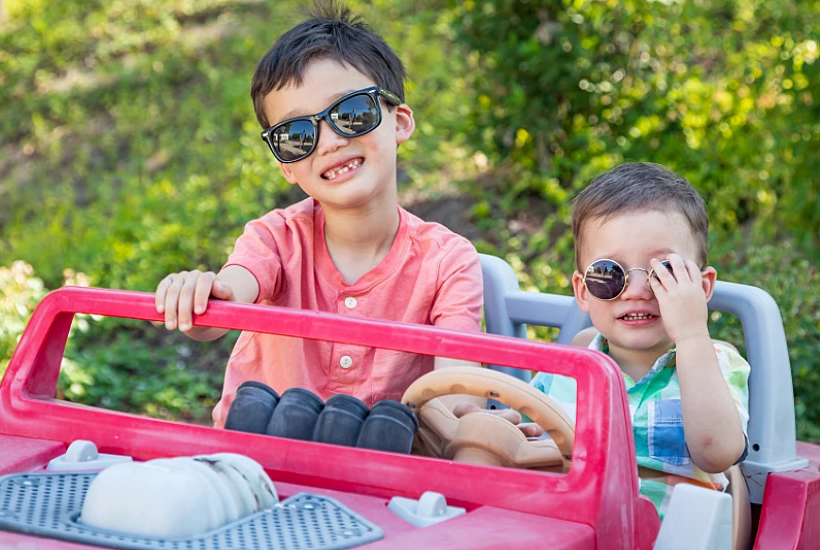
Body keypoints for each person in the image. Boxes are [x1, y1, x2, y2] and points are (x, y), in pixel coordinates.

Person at [155, 2, 484, 428]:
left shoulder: (447, 262)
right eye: (297, 135)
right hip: (258, 463)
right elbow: (224, 302)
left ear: (399, 122)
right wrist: (199, 295)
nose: (328, 142)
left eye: (350, 114)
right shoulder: (274, 239)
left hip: (383, 480)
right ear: (286, 165)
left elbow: (457, 391)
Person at [533, 162, 750, 519]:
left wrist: (692, 332)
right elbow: (527, 438)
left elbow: (717, 453)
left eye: (662, 273)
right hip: (570, 526)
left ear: (702, 287)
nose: (635, 291)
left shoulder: (715, 362)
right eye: (608, 273)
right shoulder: (567, 370)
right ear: (583, 291)